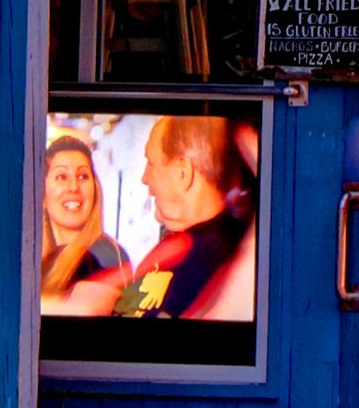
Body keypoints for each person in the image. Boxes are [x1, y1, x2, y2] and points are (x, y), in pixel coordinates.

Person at [101, 112, 258, 325]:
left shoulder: (216, 260)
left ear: (183, 173)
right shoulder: (181, 249)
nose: (144, 178)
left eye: (151, 162)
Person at [34, 131, 132, 309]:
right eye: (61, 177)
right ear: (42, 193)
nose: (73, 187)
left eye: (82, 176)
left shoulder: (106, 254)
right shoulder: (37, 259)